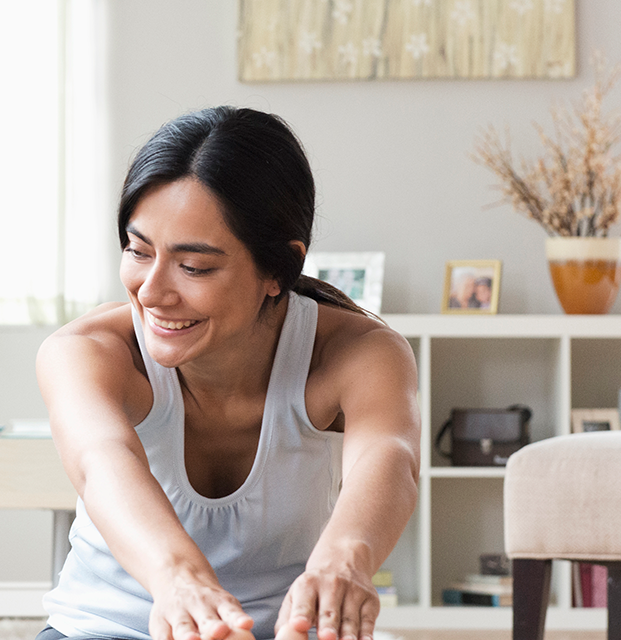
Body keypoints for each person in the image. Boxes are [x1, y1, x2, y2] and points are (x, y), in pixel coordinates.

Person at [35, 107, 419, 640]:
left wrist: (344, 562)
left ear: (278, 270)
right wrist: (178, 582)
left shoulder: (357, 353)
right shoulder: (88, 352)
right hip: (108, 628)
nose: (151, 292)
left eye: (194, 267)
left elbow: (390, 458)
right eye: (138, 251)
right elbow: (102, 462)